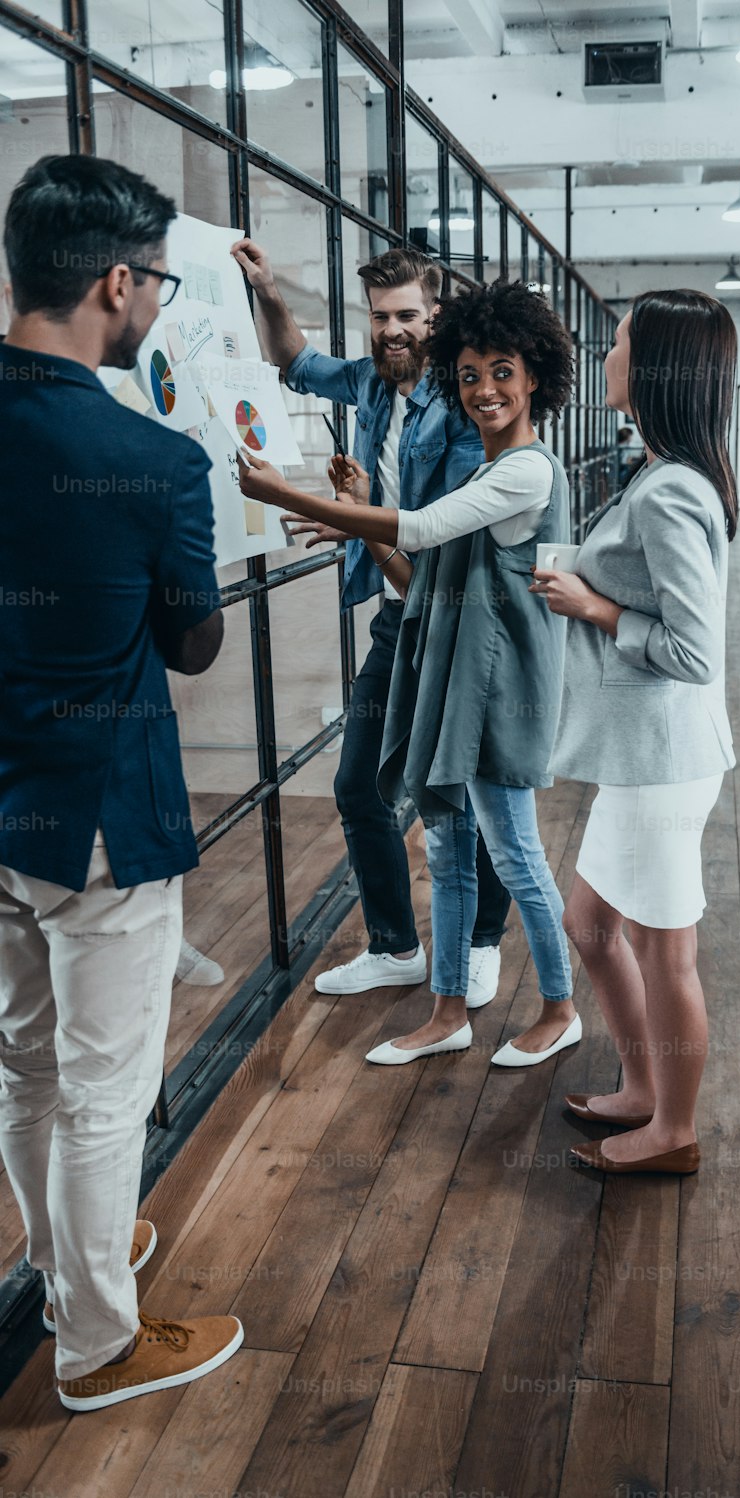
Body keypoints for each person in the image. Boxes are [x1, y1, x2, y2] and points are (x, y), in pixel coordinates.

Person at [0, 154, 243, 1410]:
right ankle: (96, 1340)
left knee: (26, 1065)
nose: (155, 297)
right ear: (115, 279)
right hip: (97, 815)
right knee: (102, 1088)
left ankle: (61, 1262)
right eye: (154, 276)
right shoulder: (147, 459)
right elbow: (193, 641)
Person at [238, 280, 581, 1065]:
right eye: (467, 375)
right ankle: (447, 1010)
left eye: (501, 371)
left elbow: (421, 527)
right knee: (449, 853)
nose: (484, 389)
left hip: (495, 700)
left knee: (518, 856)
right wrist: (356, 507)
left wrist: (292, 497)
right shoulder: (486, 474)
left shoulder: (525, 474)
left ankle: (561, 1008)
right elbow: (416, 574)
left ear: (534, 376)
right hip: (453, 690)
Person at [230, 239, 511, 1004]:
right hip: (398, 623)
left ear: (436, 316)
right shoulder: (371, 384)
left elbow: (433, 554)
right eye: (380, 316)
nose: (392, 329)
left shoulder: (461, 408)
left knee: (468, 793)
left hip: (453, 622)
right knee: (359, 786)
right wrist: (268, 288)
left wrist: (356, 521)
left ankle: (484, 939)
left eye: (407, 315)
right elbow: (293, 361)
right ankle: (396, 946)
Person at [531, 289, 739, 1174]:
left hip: (665, 760)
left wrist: (596, 606)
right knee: (589, 924)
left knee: (665, 950)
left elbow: (695, 649)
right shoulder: (659, 475)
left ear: (649, 369)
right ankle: (645, 1092)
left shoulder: (669, 494)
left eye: (615, 343)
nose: (604, 355)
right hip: (641, 753)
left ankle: (673, 1133)